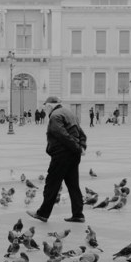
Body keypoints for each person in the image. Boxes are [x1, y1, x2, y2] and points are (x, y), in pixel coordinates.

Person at [28, 96, 87, 224]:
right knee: (73, 185)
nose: (46, 109)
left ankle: (43, 213)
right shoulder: (69, 113)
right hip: (73, 156)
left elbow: (61, 134)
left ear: (49, 106)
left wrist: (76, 147)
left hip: (62, 155)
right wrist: (81, 146)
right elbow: (81, 133)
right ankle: (78, 214)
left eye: (46, 106)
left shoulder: (55, 116)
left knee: (52, 184)